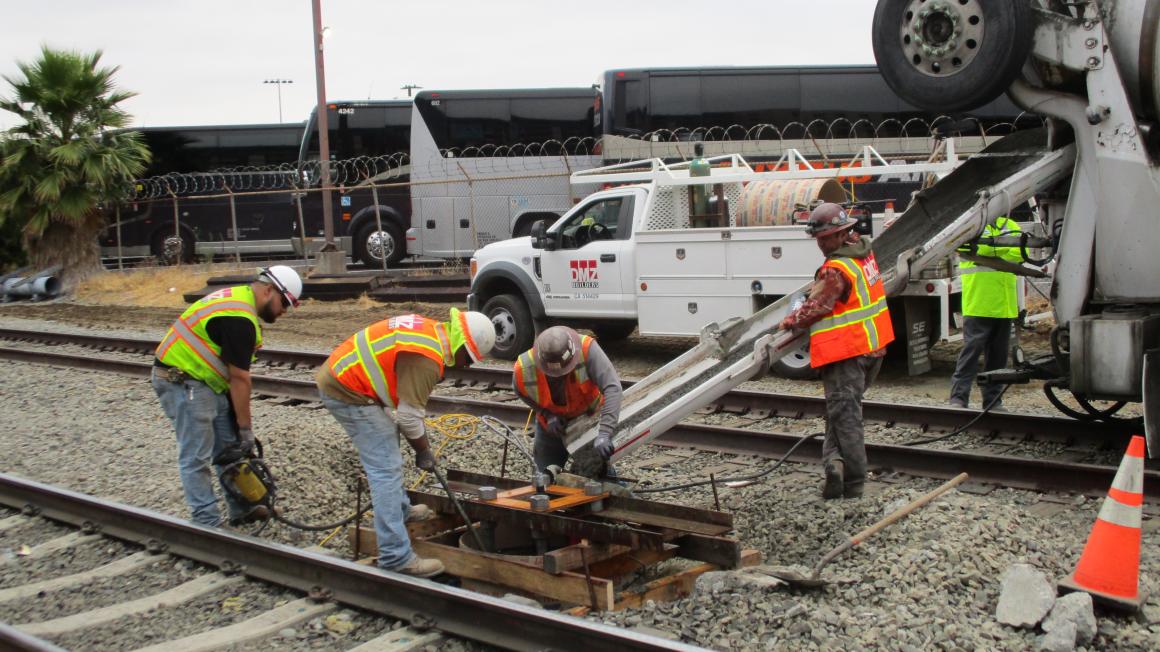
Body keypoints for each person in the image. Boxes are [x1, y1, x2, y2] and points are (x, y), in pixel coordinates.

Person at [316, 309, 496, 578]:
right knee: (385, 469)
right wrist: (424, 451)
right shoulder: (427, 359)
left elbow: (404, 412)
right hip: (348, 391)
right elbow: (410, 418)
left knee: (388, 445)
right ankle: (395, 556)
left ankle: (401, 510)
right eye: (469, 358)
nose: (466, 366)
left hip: (349, 380)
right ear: (462, 345)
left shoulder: (431, 332)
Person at [153, 265, 303, 527]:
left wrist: (240, 434)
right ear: (269, 290)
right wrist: (246, 429)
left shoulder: (239, 301)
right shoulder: (239, 318)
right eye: (284, 303)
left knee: (229, 448)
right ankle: (206, 522)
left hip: (207, 381)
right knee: (196, 455)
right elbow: (240, 379)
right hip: (182, 380)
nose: (283, 311)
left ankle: (241, 509)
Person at [778, 204, 894, 499]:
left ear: (840, 234)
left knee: (846, 418)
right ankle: (834, 465)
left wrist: (792, 319)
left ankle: (853, 484)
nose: (820, 244)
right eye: (818, 238)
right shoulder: (863, 253)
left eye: (824, 238)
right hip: (873, 348)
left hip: (847, 354)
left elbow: (817, 307)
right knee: (840, 414)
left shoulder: (836, 269)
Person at [513, 326, 622, 477]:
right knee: (545, 479)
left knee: (598, 477)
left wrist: (604, 432)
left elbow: (613, 388)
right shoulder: (524, 367)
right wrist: (546, 414)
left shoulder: (587, 349)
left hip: (588, 420)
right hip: (552, 429)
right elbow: (521, 391)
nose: (558, 377)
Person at [948, 215, 1023, 410]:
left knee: (998, 358)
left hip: (1004, 305)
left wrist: (990, 253)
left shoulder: (1010, 225)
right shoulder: (972, 225)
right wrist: (999, 251)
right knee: (970, 355)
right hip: (979, 303)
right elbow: (970, 251)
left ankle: (993, 401)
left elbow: (1020, 253)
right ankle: (958, 399)